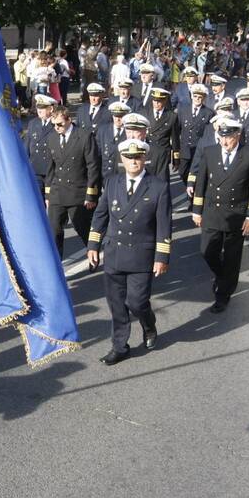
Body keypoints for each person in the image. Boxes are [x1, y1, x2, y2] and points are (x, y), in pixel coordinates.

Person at [87, 140, 171, 366]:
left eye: (138, 157)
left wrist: (162, 257)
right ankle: (120, 347)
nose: (133, 161)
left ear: (145, 158)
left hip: (141, 256)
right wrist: (93, 245)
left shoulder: (158, 186)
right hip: (114, 253)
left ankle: (148, 324)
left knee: (137, 302)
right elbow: (101, 215)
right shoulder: (112, 182)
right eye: (128, 157)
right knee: (116, 304)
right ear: (121, 159)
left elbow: (164, 224)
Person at [192, 119, 249, 313]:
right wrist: (197, 211)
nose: (224, 142)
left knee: (232, 258)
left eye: (229, 138)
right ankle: (223, 276)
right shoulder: (210, 153)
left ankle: (223, 294)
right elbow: (201, 184)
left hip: (236, 215)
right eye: (221, 137)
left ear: (237, 136)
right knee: (207, 252)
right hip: (211, 213)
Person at [44, 106, 101, 258]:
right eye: (54, 125)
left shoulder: (84, 136)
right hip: (57, 191)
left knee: (82, 228)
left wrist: (91, 195)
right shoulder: (52, 138)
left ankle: (93, 253)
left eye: (60, 124)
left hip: (78, 191)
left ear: (69, 120)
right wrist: (48, 195)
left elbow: (93, 166)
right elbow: (50, 169)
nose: (56, 128)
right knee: (54, 230)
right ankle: (57, 265)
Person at [26, 94, 56, 194]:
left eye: (42, 108)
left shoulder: (57, 123)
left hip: (51, 170)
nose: (39, 110)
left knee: (50, 200)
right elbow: (27, 145)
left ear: (51, 109)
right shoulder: (33, 123)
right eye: (38, 107)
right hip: (35, 168)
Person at [145, 88, 177, 177]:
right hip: (148, 151)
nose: (156, 103)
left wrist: (176, 159)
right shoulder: (145, 113)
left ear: (165, 100)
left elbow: (175, 139)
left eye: (159, 101)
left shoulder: (171, 116)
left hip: (163, 153)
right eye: (155, 100)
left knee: (162, 181)